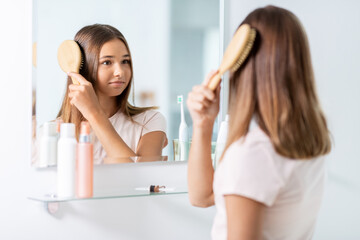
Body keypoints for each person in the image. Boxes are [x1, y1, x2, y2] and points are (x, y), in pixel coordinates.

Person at [187, 5, 331, 240]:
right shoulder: (308, 141)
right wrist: (202, 125)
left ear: (245, 66)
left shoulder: (253, 155)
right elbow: (202, 196)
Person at [57, 24, 168, 164]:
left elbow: (142, 180)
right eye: (107, 62)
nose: (120, 72)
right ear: (84, 68)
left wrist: (94, 113)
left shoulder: (149, 121)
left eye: (125, 61)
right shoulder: (58, 131)